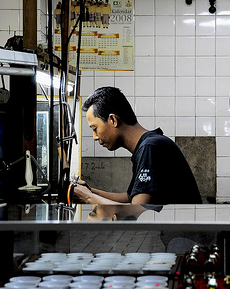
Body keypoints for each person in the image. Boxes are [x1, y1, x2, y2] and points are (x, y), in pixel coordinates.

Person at [73, 86, 202, 205]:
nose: (95, 137)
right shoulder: (148, 145)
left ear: (113, 120)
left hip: (186, 230)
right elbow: (131, 198)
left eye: (95, 128)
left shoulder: (150, 147)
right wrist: (90, 191)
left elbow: (136, 212)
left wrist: (88, 198)